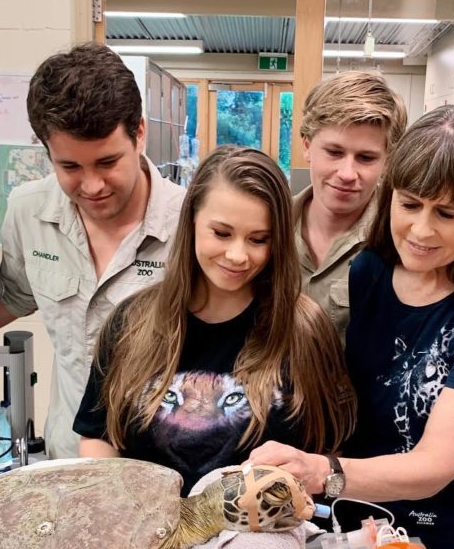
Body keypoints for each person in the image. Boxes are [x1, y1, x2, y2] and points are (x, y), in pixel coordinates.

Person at [251, 106, 454, 549]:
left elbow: (433, 467)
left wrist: (321, 472)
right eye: (409, 204)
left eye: (447, 213)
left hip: (446, 541)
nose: (421, 229)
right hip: (354, 522)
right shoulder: (370, 272)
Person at [0, 43, 185, 459]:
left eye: (107, 162)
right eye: (70, 167)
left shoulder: (190, 224)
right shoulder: (29, 210)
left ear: (140, 133)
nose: (91, 186)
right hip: (71, 457)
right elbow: (13, 299)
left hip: (165, 459)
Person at [73, 145, 354, 495]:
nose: (237, 255)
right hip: (152, 538)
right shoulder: (131, 323)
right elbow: (97, 435)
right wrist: (120, 504)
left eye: (258, 239)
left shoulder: (304, 330)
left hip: (266, 541)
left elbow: (330, 452)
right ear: (191, 222)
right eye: (221, 233)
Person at [295, 71, 406, 340]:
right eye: (334, 152)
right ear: (307, 146)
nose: (347, 173)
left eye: (366, 158)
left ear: (387, 161)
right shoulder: (268, 226)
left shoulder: (402, 241)